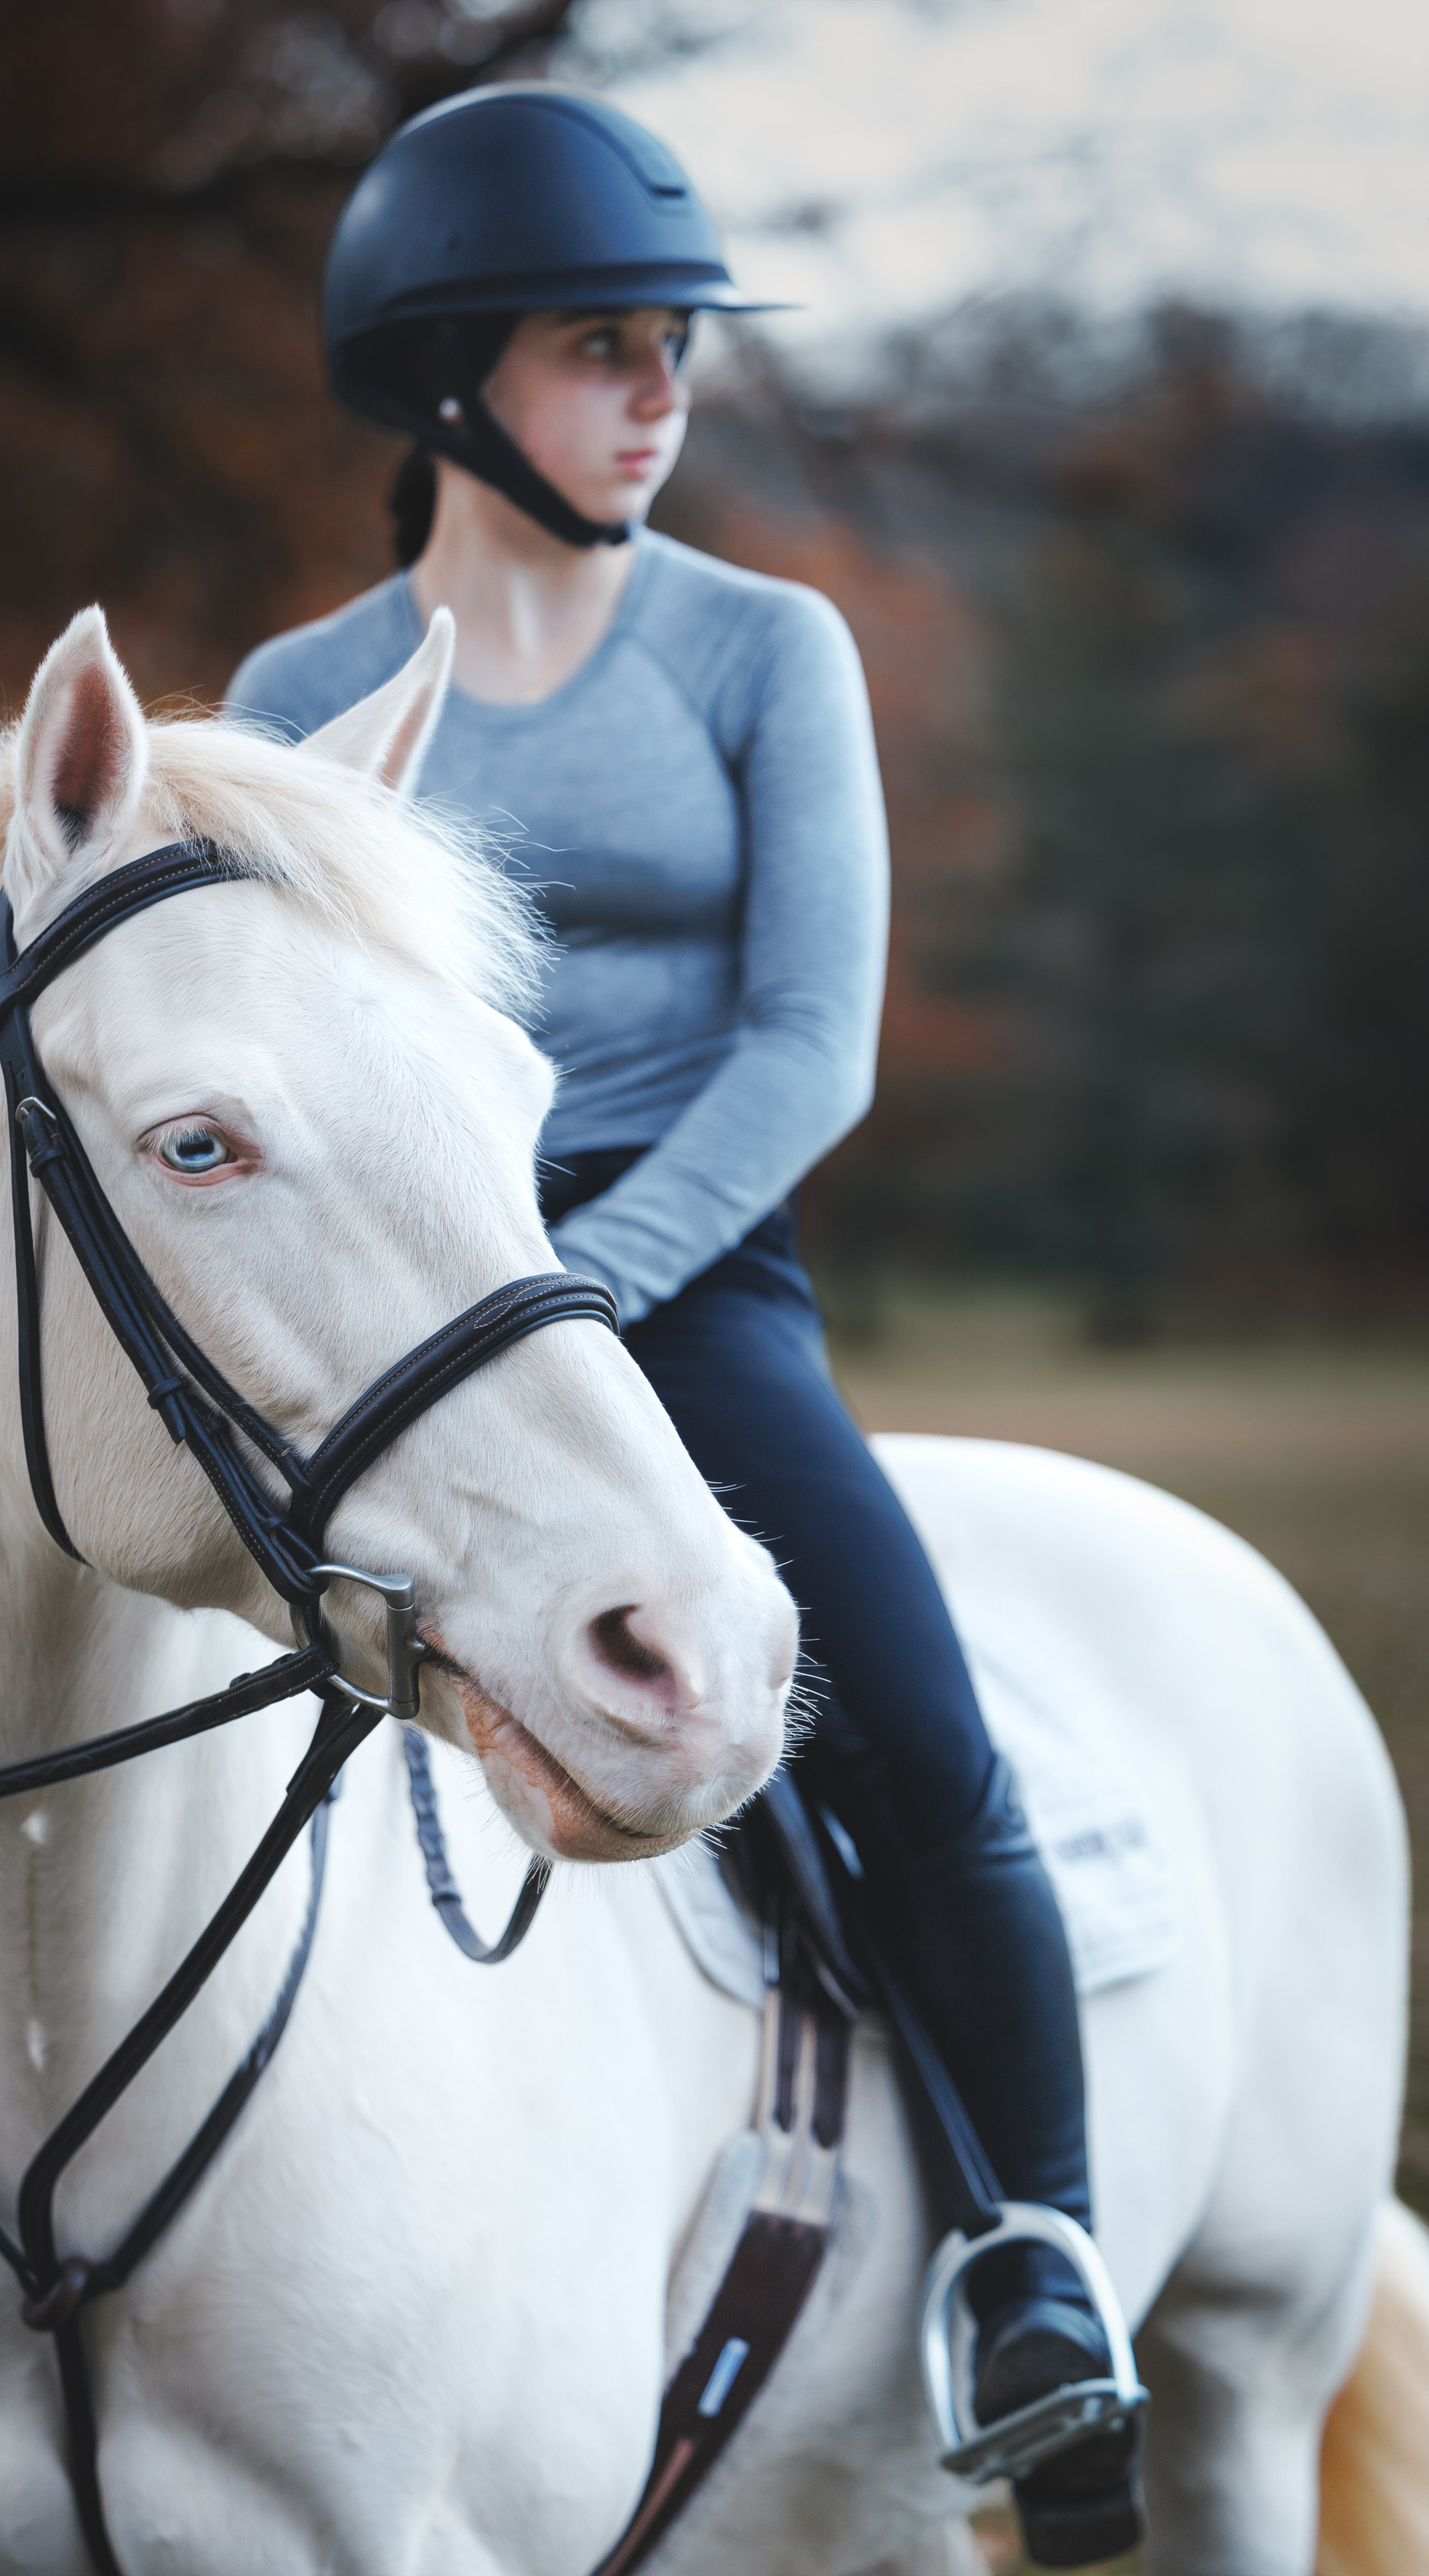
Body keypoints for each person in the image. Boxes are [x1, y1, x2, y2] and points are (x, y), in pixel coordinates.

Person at [226, 87, 1140, 2569]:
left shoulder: (764, 646)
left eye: (676, 348)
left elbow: (813, 1046)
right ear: (449, 381)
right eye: (601, 346)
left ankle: (1037, 2269)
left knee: (922, 1745)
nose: (663, 393)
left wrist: (594, 1284)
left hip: (687, 1279)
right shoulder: (299, 691)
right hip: (381, 1303)